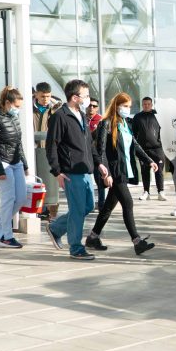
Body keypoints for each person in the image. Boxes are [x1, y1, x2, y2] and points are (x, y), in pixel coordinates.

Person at [45, 79, 110, 260]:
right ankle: (75, 247)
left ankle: (55, 228)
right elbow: (51, 146)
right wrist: (57, 171)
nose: (88, 99)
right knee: (77, 209)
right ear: (75, 97)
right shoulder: (60, 116)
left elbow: (89, 144)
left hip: (85, 170)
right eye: (86, 95)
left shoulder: (81, 115)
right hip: (70, 172)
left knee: (87, 206)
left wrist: (99, 163)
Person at [86, 92, 156, 255]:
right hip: (114, 172)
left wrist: (148, 160)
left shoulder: (126, 123)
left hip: (124, 170)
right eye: (125, 106)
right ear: (117, 106)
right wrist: (106, 173)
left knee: (109, 206)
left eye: (129, 106)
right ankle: (137, 241)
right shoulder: (106, 123)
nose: (127, 109)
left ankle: (93, 237)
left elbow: (135, 145)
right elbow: (101, 150)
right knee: (128, 203)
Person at [0, 87, 30, 248]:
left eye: (20, 107)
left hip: (15, 162)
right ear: (7, 103)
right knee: (8, 198)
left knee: (21, 198)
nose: (18, 110)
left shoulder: (14, 119)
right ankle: (5, 235)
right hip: (1, 162)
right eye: (16, 106)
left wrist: (25, 165)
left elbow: (19, 144)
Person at [33, 82, 61, 220]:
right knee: (35, 180)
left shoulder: (56, 109)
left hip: (49, 150)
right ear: (36, 94)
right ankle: (36, 209)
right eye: (43, 96)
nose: (45, 99)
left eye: (48, 96)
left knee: (51, 182)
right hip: (33, 150)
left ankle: (51, 213)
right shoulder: (28, 109)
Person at [131, 96, 167, 202]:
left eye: (148, 104)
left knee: (159, 170)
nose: (146, 105)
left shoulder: (157, 115)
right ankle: (146, 192)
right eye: (144, 104)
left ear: (151, 105)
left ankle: (161, 192)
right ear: (142, 105)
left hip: (157, 148)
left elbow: (164, 130)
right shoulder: (137, 117)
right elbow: (134, 133)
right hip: (143, 149)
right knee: (145, 171)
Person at [87, 97, 105, 210]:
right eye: (90, 105)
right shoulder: (81, 119)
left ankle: (102, 203)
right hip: (84, 155)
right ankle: (89, 203)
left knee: (100, 180)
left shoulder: (101, 120)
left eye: (94, 106)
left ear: (97, 108)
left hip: (97, 154)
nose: (91, 108)